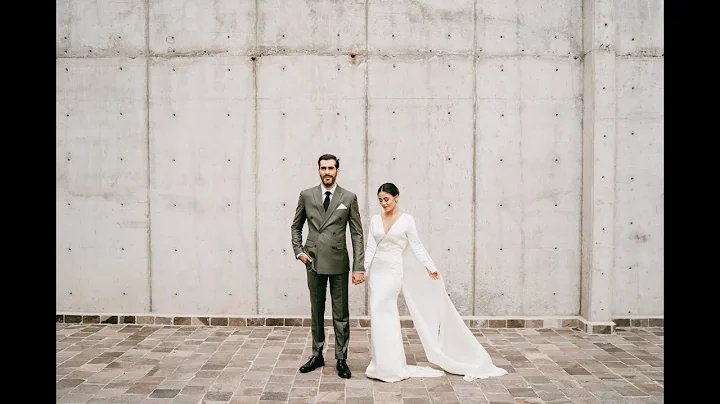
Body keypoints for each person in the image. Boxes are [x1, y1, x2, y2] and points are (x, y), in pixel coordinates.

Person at [364, 183, 508, 383]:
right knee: (378, 313)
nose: (383, 203)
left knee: (387, 311)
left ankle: (392, 365)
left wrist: (430, 267)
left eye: (386, 199)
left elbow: (417, 246)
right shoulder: (374, 220)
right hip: (377, 272)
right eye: (380, 200)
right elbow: (370, 247)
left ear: (397, 197)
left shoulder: (407, 220)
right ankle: (381, 364)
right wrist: (363, 269)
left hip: (393, 271)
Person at [290, 154, 366, 379]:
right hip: (313, 261)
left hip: (339, 262)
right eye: (323, 168)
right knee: (316, 311)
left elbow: (357, 234)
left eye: (331, 168)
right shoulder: (306, 195)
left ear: (338, 171)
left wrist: (358, 266)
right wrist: (299, 251)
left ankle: (341, 359)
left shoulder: (348, 197)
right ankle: (317, 355)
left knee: (340, 313)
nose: (327, 172)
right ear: (318, 170)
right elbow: (296, 226)